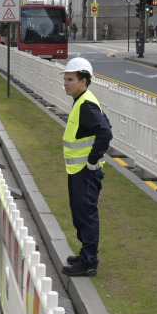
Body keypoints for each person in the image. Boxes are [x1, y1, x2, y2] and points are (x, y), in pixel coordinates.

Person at [59, 57, 112, 278]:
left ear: (84, 80)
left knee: (87, 216)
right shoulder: (82, 100)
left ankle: (89, 263)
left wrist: (92, 160)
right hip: (78, 171)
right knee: (79, 216)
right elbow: (106, 125)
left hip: (85, 172)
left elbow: (105, 133)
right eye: (65, 79)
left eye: (70, 79)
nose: (66, 83)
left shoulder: (86, 104)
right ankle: (85, 255)